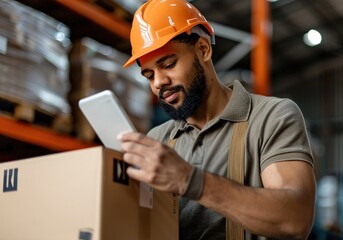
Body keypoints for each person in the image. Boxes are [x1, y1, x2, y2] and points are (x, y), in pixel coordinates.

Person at [118, 0, 316, 239]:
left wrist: (190, 180)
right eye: (149, 75)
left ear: (203, 49)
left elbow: (295, 219)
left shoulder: (272, 117)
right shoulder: (157, 139)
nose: (159, 82)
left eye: (168, 64)